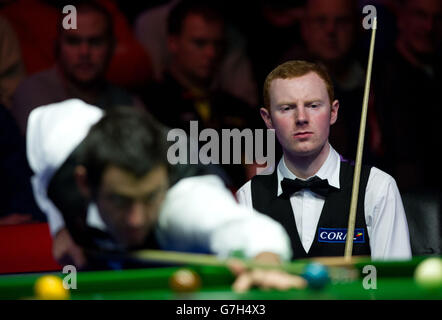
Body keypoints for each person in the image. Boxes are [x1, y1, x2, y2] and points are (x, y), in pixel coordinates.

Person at [27, 98, 306, 292]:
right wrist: (60, 226)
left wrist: (265, 260)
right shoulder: (61, 142)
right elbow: (39, 133)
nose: (136, 220)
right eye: (120, 200)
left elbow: (242, 227)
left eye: (149, 197)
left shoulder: (183, 202)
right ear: (85, 184)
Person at [236, 60, 412, 260]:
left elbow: (393, 284)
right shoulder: (249, 197)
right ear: (268, 119)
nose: (301, 117)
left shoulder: (377, 188)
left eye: (313, 105)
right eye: (286, 108)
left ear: (333, 112)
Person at [9, 0, 142, 134]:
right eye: (73, 41)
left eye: (95, 42)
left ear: (112, 46)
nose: (84, 52)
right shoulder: (33, 93)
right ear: (57, 46)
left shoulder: (128, 104)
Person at [372, 0, 442, 191]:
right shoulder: (377, 75)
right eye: (420, 15)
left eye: (437, 18)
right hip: (400, 197)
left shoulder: (432, 72)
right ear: (402, 18)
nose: (428, 27)